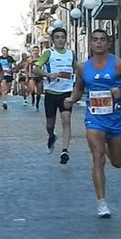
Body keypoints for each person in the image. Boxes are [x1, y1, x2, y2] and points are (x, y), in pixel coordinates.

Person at [64, 29, 121, 218]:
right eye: (95, 40)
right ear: (90, 44)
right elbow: (79, 88)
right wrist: (71, 100)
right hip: (95, 119)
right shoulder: (83, 68)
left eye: (102, 40)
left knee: (117, 162)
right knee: (97, 157)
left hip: (115, 119)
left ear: (108, 43)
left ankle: (107, 145)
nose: (98, 43)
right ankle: (101, 203)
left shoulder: (119, 65)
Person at [32, 28, 78, 164]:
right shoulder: (48, 53)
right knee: (50, 124)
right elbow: (35, 68)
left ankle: (65, 150)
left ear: (65, 39)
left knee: (66, 119)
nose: (60, 40)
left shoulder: (71, 53)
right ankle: (52, 136)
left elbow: (77, 68)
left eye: (62, 37)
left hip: (66, 93)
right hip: (51, 94)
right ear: (53, 40)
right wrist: (48, 75)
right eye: (57, 37)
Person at [27, 46, 43, 111]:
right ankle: (33, 97)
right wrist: (27, 75)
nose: (35, 52)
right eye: (34, 50)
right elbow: (26, 67)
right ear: (32, 52)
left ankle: (37, 104)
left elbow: (43, 66)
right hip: (32, 76)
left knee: (39, 92)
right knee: (32, 89)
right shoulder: (29, 59)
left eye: (37, 50)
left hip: (39, 76)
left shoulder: (41, 58)